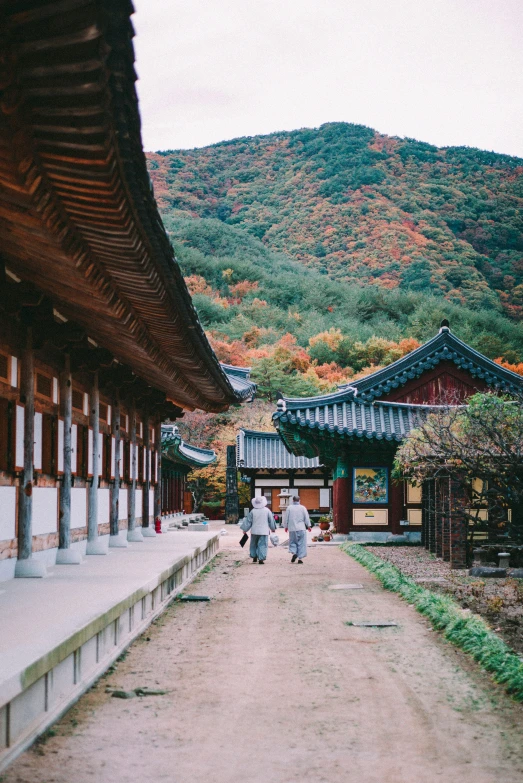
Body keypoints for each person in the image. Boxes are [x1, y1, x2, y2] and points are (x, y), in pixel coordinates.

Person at [241, 496, 276, 565]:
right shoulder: (267, 510)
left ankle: (254, 556)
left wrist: (245, 529)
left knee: (254, 544)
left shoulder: (253, 511)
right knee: (262, 544)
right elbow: (271, 520)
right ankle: (261, 558)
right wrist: (273, 528)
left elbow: (248, 521)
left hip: (254, 530)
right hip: (264, 531)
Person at [284, 495, 311, 564]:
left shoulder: (289, 508)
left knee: (292, 541)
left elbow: (286, 518)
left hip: (292, 528)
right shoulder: (303, 508)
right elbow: (306, 517)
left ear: (293, 500)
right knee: (301, 543)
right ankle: (300, 558)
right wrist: (309, 526)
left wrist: (286, 526)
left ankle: (294, 552)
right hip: (301, 528)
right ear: (299, 500)